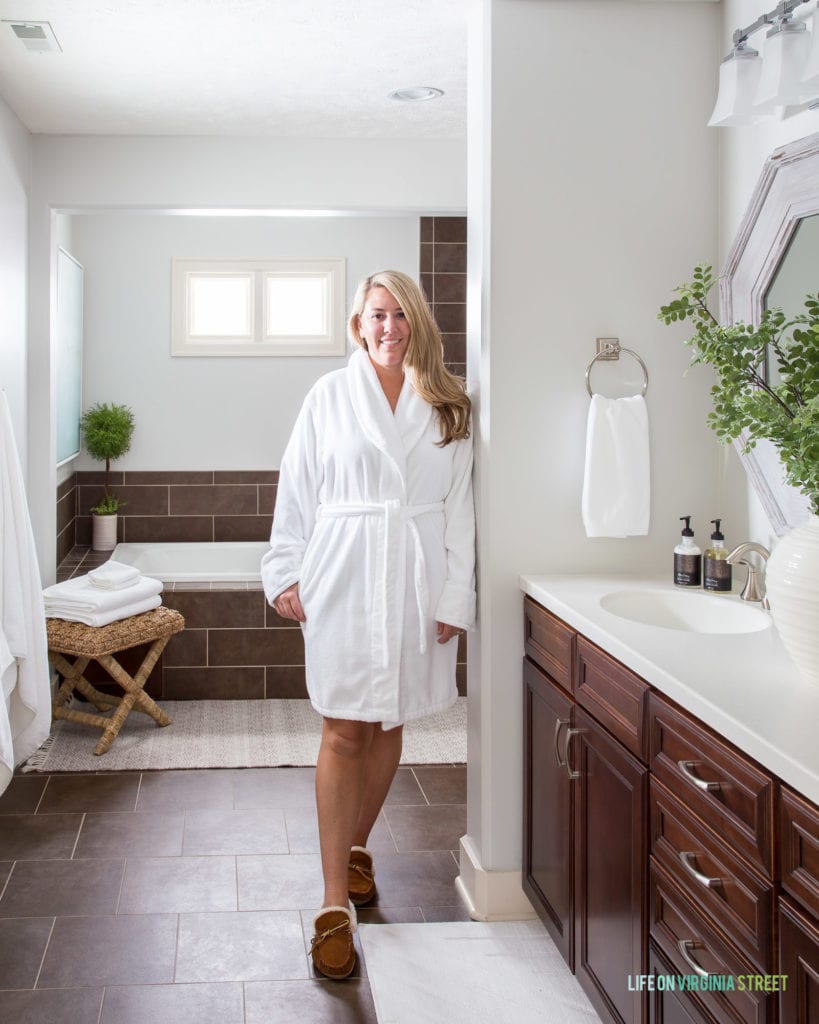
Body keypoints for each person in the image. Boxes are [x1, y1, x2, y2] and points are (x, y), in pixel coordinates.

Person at [261, 269, 476, 979]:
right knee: (343, 726)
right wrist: (285, 570)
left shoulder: (448, 406)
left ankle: (355, 847)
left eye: (401, 316)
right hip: (344, 571)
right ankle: (332, 904)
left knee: (389, 723)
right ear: (358, 324)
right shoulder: (328, 395)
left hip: (416, 577)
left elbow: (461, 513)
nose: (389, 328)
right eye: (376, 316)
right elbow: (296, 487)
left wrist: (455, 598)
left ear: (419, 323)